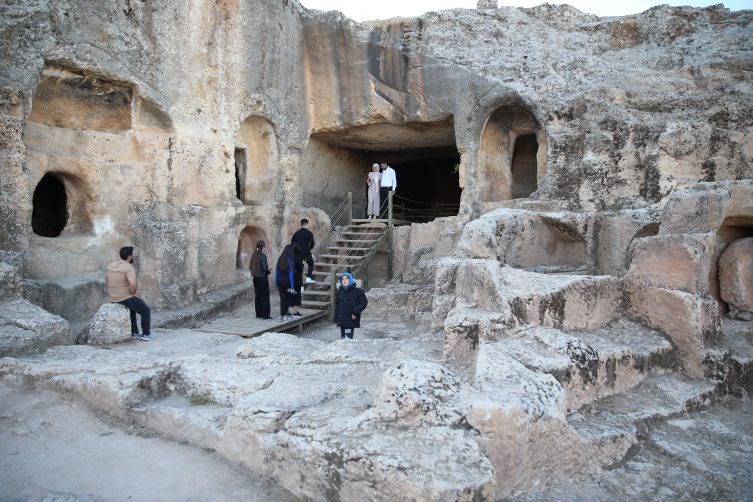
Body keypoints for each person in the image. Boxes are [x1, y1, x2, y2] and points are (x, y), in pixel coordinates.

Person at [105, 247, 154, 340]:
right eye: (133, 255)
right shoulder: (128, 268)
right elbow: (133, 283)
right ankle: (146, 334)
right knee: (146, 310)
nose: (133, 257)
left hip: (113, 297)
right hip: (125, 297)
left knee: (132, 309)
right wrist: (134, 293)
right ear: (129, 257)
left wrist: (115, 289)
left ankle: (134, 332)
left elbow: (107, 279)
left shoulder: (111, 265)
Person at [333, 273, 367, 339]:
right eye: (342, 279)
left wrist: (355, 312)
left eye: (346, 278)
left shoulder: (358, 291)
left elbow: (364, 303)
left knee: (348, 339)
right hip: (342, 320)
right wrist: (336, 320)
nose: (344, 280)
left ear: (350, 279)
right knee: (343, 339)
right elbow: (337, 306)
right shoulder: (339, 292)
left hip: (351, 319)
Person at [249, 240, 272, 321]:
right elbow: (265, 268)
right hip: (262, 278)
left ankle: (258, 314)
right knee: (265, 296)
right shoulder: (262, 256)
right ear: (263, 247)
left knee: (258, 296)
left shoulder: (254, 256)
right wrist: (269, 271)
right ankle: (266, 316)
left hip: (255, 278)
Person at [274, 244, 298, 322]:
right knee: (287, 299)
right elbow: (290, 274)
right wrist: (292, 287)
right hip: (286, 281)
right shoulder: (290, 260)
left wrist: (276, 283)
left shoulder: (280, 259)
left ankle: (281, 315)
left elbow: (277, 272)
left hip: (280, 280)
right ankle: (284, 316)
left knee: (282, 298)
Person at [291, 219, 316, 283]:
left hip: (298, 254)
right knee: (311, 264)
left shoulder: (296, 233)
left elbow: (292, 243)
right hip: (306, 253)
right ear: (307, 225)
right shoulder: (309, 233)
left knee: (300, 269)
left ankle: (300, 285)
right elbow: (312, 242)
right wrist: (310, 248)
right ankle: (308, 277)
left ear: (301, 224)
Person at [289, 243, 304, 318]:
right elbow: (299, 269)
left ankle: (287, 311)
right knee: (296, 294)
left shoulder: (289, 256)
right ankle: (295, 312)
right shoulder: (298, 257)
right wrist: (302, 264)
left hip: (288, 276)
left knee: (288, 293)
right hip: (296, 276)